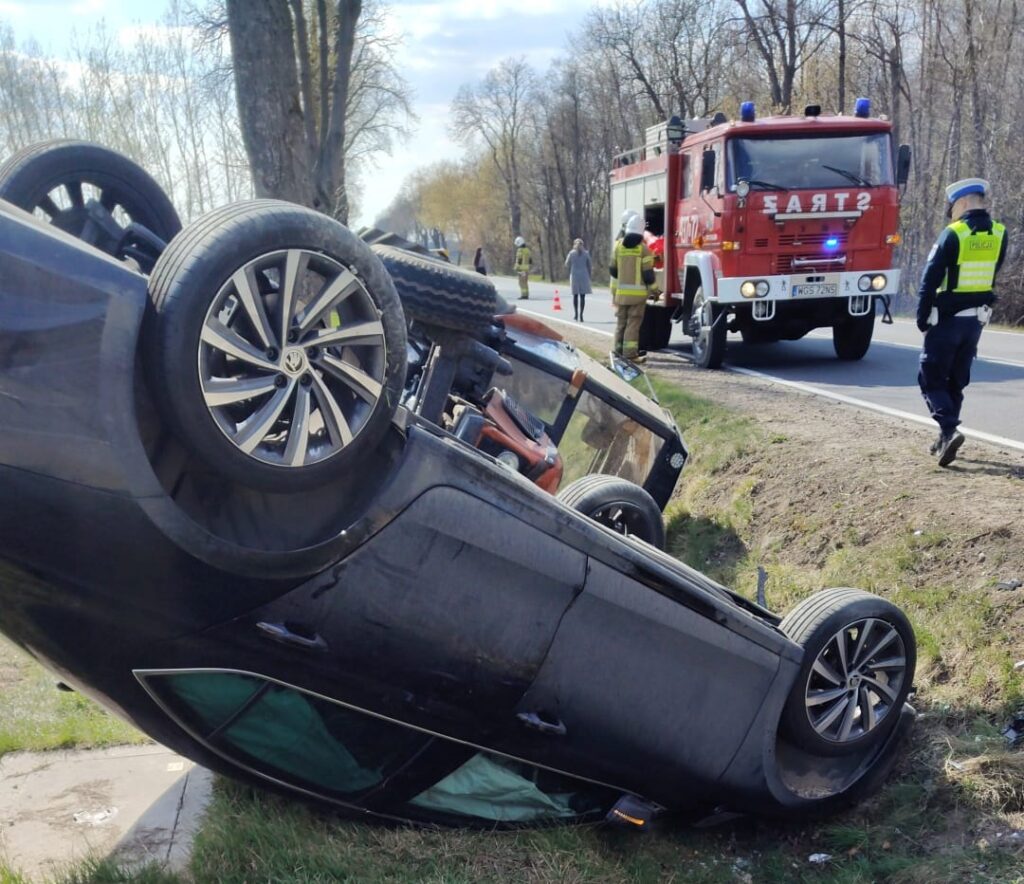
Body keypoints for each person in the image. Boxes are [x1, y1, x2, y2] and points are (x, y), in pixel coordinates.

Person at [917, 177, 1007, 467]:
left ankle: (948, 428)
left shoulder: (953, 234)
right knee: (955, 380)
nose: (951, 213)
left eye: (952, 207)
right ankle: (945, 439)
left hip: (947, 320)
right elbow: (993, 271)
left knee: (930, 377)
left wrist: (922, 317)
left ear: (965, 202)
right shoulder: (1000, 233)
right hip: (975, 323)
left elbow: (929, 279)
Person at [609, 212, 655, 362]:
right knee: (633, 324)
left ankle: (617, 352)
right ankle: (630, 354)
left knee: (620, 323)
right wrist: (655, 290)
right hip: (638, 296)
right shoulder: (644, 250)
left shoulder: (617, 247)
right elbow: (648, 275)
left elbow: (613, 271)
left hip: (621, 295)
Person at [564, 238, 592, 321]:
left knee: (575, 295)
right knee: (582, 296)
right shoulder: (586, 253)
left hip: (575, 275)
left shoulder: (571, 253)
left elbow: (566, 263)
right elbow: (590, 265)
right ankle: (581, 315)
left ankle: (576, 314)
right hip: (584, 275)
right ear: (582, 245)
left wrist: (571, 267)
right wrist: (589, 274)